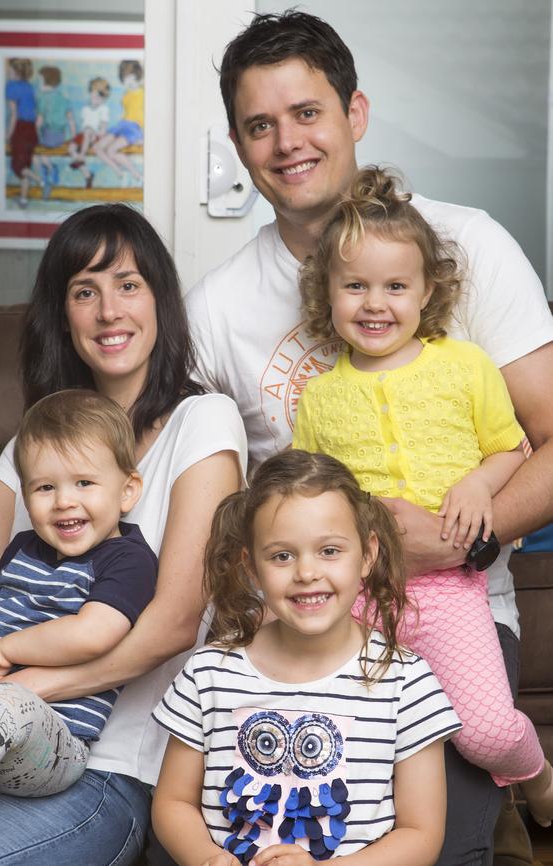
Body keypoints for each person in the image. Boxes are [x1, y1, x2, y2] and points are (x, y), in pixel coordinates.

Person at [184, 10, 553, 863]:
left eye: (307, 112)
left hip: (456, 603)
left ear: (355, 114)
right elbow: (207, 498)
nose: (286, 142)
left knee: (437, 847)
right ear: (240, 147)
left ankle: (509, 790)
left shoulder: (474, 246)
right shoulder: (215, 310)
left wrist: (468, 535)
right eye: (259, 125)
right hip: (308, 615)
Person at [0, 203, 247, 865]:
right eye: (84, 291)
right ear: (63, 315)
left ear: (160, 302)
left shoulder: (203, 422)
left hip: (109, 771)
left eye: (128, 284)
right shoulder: (31, 447)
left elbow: (174, 623)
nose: (108, 310)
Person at [292, 165, 553, 825]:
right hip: (357, 600)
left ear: (426, 290)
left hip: (449, 591)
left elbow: (511, 449)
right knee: (349, 746)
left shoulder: (463, 367)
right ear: (327, 293)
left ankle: (538, 779)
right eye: (355, 286)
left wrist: (477, 484)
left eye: (395, 287)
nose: (375, 304)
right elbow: (304, 496)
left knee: (486, 732)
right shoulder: (320, 400)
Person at [152, 449, 462, 865]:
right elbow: (172, 802)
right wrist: (206, 858)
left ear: (367, 555)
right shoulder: (208, 672)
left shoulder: (406, 681)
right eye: (282, 555)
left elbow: (421, 834)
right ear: (252, 568)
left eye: (329, 551)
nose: (306, 572)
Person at [0, 388, 157, 811]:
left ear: (128, 490)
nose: (63, 501)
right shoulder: (22, 548)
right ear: (24, 495)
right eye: (44, 487)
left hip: (54, 743)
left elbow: (94, 633)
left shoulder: (128, 559)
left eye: (84, 483)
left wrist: (3, 651)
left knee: (7, 703)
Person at [94, 60, 144, 183]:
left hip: (134, 128)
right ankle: (118, 171)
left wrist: (143, 137)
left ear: (136, 76)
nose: (127, 81)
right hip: (121, 125)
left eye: (130, 77)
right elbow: (124, 113)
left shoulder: (144, 93)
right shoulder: (125, 95)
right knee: (97, 147)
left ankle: (136, 174)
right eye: (124, 78)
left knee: (111, 150)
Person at [5, 58, 42, 208]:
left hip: (20, 129)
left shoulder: (11, 87)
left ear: (17, 73)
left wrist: (8, 135)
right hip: (31, 129)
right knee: (25, 164)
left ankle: (40, 180)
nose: (8, 72)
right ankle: (24, 199)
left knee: (17, 166)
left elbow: (14, 114)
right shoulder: (29, 87)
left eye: (11, 70)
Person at [34, 65, 76, 198]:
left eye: (39, 80)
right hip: (61, 136)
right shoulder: (64, 99)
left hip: (48, 136)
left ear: (46, 81)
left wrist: (36, 133)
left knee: (37, 154)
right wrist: (73, 138)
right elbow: (71, 121)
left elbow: (39, 122)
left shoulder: (43, 99)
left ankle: (49, 171)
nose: (38, 83)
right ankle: (50, 173)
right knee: (41, 153)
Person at [68, 76, 111, 188]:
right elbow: (83, 127)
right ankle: (87, 175)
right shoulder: (85, 109)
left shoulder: (103, 109)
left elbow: (103, 128)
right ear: (90, 93)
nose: (96, 98)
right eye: (94, 94)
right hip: (84, 136)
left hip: (95, 137)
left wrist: (97, 134)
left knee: (88, 131)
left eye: (99, 96)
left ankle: (81, 157)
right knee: (71, 148)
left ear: (104, 98)